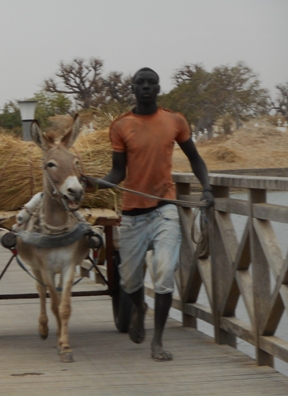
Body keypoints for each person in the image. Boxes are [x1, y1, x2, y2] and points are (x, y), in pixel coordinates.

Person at [90, 67, 214, 362]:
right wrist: (97, 184)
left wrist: (207, 189)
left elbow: (196, 159)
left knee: (163, 273)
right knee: (129, 281)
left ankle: (157, 341)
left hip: (165, 209)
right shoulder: (121, 126)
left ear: (159, 88)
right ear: (132, 88)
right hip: (133, 214)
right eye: (140, 83)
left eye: (151, 83)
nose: (146, 87)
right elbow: (118, 171)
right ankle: (139, 307)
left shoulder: (175, 121)